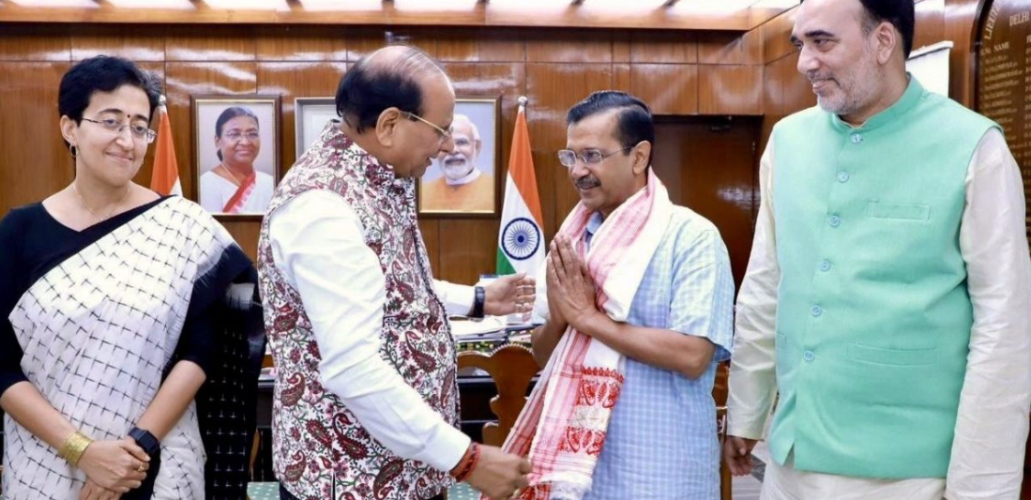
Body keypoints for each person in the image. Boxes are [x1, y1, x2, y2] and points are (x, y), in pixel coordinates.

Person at [724, 1, 1031, 499]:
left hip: (910, 476)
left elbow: (1004, 329)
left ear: (883, 41)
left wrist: (981, 488)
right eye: (801, 45)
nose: (805, 62)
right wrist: (747, 409)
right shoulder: (788, 141)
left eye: (823, 42)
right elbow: (766, 284)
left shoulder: (974, 148)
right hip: (792, 462)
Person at [257, 45, 533, 500]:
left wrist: (479, 300)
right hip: (353, 484)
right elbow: (354, 369)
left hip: (403, 476)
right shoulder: (324, 207)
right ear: (389, 125)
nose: (446, 145)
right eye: (440, 130)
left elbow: (391, 289)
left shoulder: (377, 181)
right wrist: (466, 459)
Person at [0, 55, 263, 500]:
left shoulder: (183, 228)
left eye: (140, 126)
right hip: (43, 464)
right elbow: (1, 364)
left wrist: (135, 449)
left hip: (153, 465)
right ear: (70, 128)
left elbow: (204, 348)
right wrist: (82, 451)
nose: (128, 140)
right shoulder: (18, 232)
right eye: (111, 121)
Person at [503, 91, 735, 500]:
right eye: (569, 157)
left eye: (591, 155)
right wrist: (562, 315)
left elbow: (693, 356)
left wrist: (589, 319)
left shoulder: (690, 237)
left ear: (639, 157)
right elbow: (543, 355)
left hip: (662, 464)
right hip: (582, 468)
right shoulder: (572, 240)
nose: (577, 171)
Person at [199, 106, 275, 214]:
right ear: (217, 141)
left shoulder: (270, 183)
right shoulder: (205, 184)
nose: (245, 142)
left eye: (252, 134)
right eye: (234, 134)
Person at [421, 113, 494, 213]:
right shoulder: (423, 194)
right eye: (444, 143)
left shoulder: (496, 191)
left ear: (476, 147)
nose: (453, 150)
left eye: (461, 142)